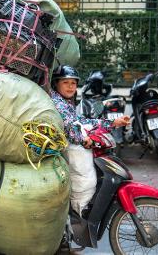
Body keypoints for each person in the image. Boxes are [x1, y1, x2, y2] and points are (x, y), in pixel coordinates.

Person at [50, 65, 130, 215]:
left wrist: (113, 123)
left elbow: (81, 120)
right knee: (86, 179)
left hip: (65, 146)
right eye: (65, 83)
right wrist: (84, 139)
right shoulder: (59, 104)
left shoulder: (66, 102)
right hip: (63, 148)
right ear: (56, 84)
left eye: (73, 83)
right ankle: (79, 209)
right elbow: (69, 126)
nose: (70, 87)